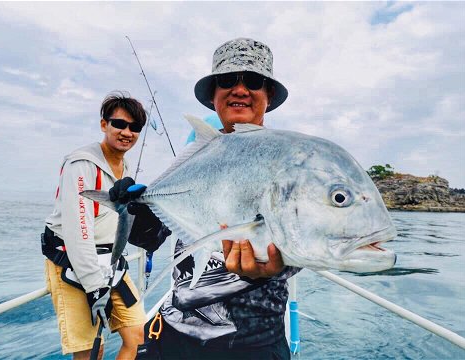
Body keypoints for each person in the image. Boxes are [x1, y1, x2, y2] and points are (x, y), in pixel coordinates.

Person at [122, 37, 298, 359]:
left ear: (268, 96)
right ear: (214, 97)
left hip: (252, 346)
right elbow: (150, 238)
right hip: (171, 337)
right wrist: (135, 210)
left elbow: (301, 241)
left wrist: (275, 266)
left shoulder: (283, 162)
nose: (241, 90)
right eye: (228, 81)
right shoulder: (193, 161)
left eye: (254, 81)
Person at [42, 92, 157, 359]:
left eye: (135, 127)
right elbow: (77, 231)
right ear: (104, 124)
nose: (127, 132)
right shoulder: (81, 165)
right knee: (91, 352)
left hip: (112, 263)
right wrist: (95, 289)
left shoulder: (124, 166)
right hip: (72, 264)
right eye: (119, 124)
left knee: (138, 336)